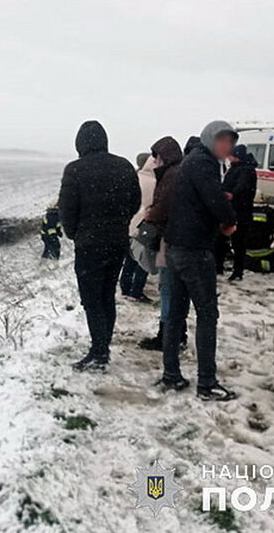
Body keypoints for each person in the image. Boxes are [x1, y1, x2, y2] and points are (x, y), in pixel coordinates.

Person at [160, 120, 238, 402]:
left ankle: (171, 374)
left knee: (176, 314)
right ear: (209, 140)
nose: (227, 147)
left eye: (230, 142)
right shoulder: (204, 163)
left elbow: (196, 200)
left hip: (176, 247)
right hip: (194, 251)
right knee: (207, 315)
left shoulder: (191, 162)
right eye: (222, 140)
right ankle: (207, 383)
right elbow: (214, 200)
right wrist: (229, 221)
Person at [58, 120, 140, 371]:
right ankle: (102, 348)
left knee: (92, 299)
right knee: (106, 296)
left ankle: (99, 352)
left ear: (80, 143)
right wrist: (120, 222)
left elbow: (67, 209)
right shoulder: (124, 166)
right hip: (116, 242)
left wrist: (75, 233)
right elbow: (134, 202)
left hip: (89, 245)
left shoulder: (75, 170)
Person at [137, 137, 185, 351]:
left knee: (167, 288)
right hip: (180, 239)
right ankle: (176, 333)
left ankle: (167, 335)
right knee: (174, 290)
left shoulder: (171, 176)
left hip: (170, 239)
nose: (154, 162)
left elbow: (162, 208)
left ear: (164, 157)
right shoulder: (180, 173)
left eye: (156, 157)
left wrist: (150, 214)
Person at [120, 153, 156, 302]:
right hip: (144, 225)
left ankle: (125, 287)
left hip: (130, 224)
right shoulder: (155, 181)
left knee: (130, 258)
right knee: (143, 260)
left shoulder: (133, 177)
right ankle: (136, 291)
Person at [222, 145, 258, 281]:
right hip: (236, 209)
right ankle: (227, 267)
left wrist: (231, 194)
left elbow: (242, 187)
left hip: (240, 211)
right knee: (231, 240)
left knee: (238, 242)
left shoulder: (246, 170)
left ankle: (238, 271)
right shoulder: (237, 168)